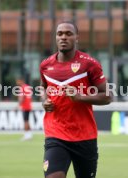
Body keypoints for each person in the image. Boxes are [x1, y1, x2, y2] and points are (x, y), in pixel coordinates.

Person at [40, 21, 112, 178]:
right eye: (60, 34)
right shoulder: (46, 65)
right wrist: (45, 101)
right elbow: (43, 88)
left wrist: (80, 97)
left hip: (84, 136)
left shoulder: (89, 64)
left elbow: (107, 96)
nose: (63, 37)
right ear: (55, 37)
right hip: (56, 134)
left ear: (76, 37)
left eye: (68, 34)